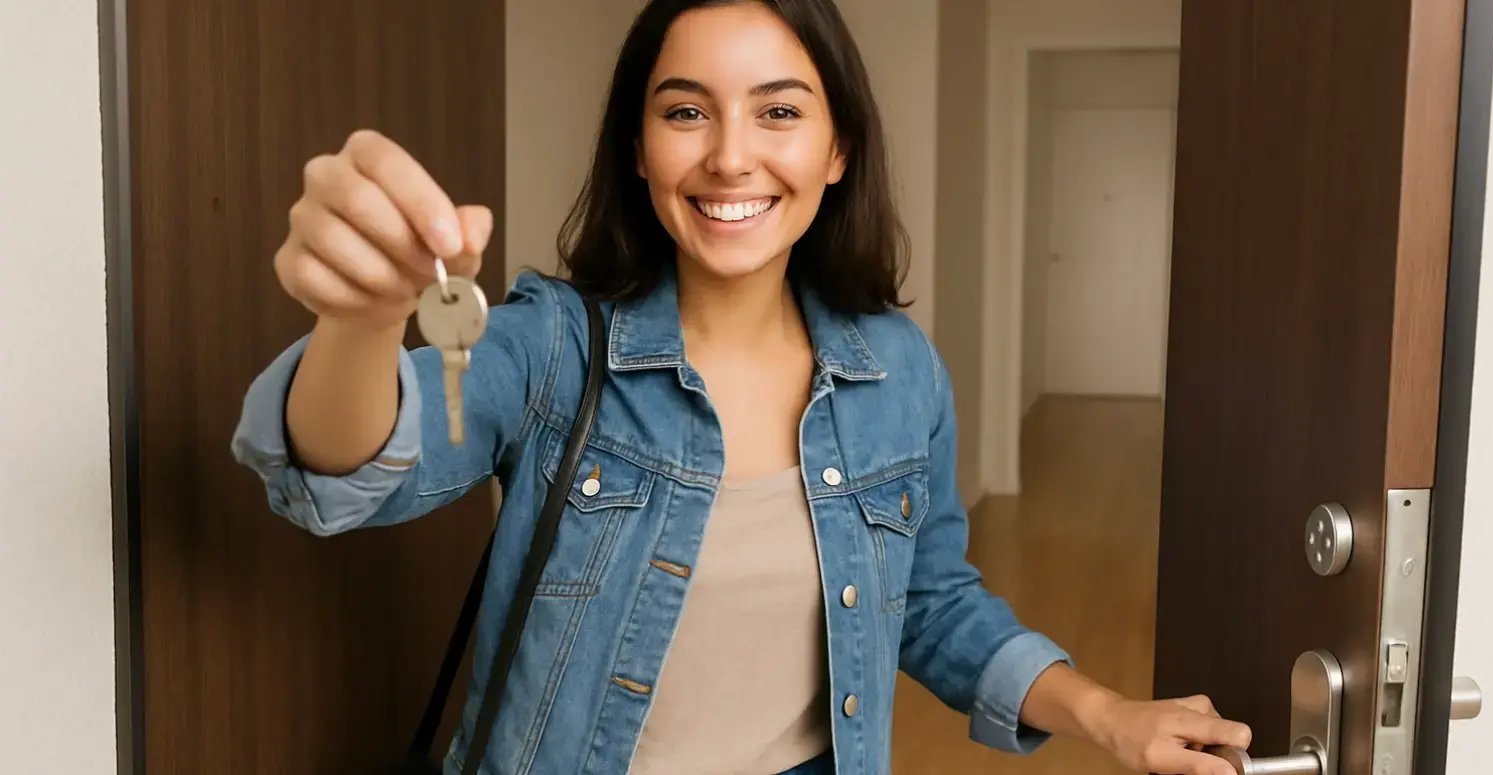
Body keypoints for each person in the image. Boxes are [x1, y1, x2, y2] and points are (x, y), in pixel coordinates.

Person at [232, 1, 1252, 773]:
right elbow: (345, 471)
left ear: (836, 148)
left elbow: (929, 604)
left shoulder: (898, 372)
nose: (729, 157)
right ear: (638, 151)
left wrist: (1106, 713)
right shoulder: (553, 346)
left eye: (778, 111)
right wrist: (360, 321)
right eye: (686, 111)